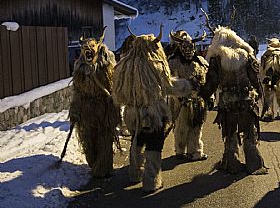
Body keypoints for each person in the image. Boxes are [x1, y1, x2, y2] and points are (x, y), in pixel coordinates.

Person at [113, 25, 195, 193]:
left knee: (136, 141)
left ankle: (134, 173)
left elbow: (118, 94)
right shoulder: (155, 65)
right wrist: (188, 86)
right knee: (153, 145)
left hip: (131, 113)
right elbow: (168, 86)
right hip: (152, 113)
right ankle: (151, 181)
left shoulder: (123, 65)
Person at [199, 13, 268, 175]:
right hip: (246, 101)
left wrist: (202, 96)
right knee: (250, 133)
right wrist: (261, 98)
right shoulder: (247, 55)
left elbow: (211, 83)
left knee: (230, 134)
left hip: (227, 103)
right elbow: (255, 80)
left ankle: (232, 164)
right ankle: (254, 163)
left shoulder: (216, 58)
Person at [69, 27, 120, 178]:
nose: (88, 50)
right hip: (87, 111)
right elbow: (77, 91)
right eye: (85, 48)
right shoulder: (80, 68)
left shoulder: (108, 66)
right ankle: (95, 164)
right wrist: (75, 109)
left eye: (91, 47)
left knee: (104, 138)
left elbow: (114, 88)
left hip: (104, 109)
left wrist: (115, 107)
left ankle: (104, 168)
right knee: (88, 140)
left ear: (98, 47)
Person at [168, 30, 209, 161]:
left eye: (190, 47)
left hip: (198, 101)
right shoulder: (173, 62)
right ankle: (180, 151)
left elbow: (206, 80)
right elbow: (169, 82)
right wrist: (178, 96)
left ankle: (195, 151)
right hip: (180, 101)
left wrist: (209, 97)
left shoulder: (200, 62)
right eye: (184, 47)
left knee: (196, 127)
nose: (188, 51)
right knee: (181, 126)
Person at [260, 38, 280, 120]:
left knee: (268, 96)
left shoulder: (265, 55)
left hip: (268, 77)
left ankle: (269, 113)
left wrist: (263, 77)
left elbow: (261, 68)